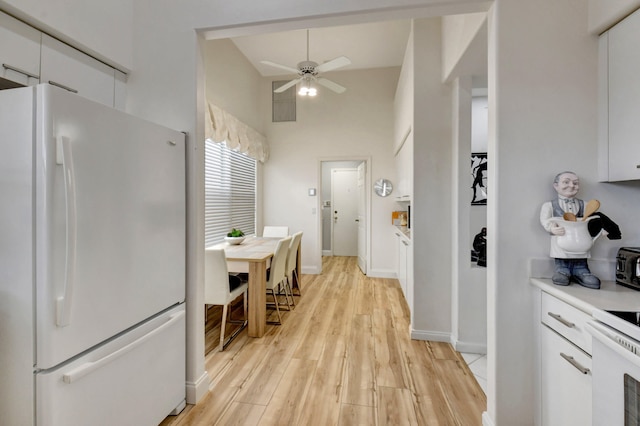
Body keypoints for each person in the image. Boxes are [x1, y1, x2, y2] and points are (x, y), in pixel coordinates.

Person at [539, 171, 601, 289]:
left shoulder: (586, 205)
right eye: (566, 182)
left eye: (575, 183)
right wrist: (552, 228)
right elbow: (544, 220)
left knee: (581, 257)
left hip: (582, 246)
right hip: (561, 247)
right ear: (556, 185)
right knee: (562, 260)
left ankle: (582, 270)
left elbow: (594, 221)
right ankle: (562, 270)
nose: (572, 185)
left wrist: (600, 229)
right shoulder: (549, 206)